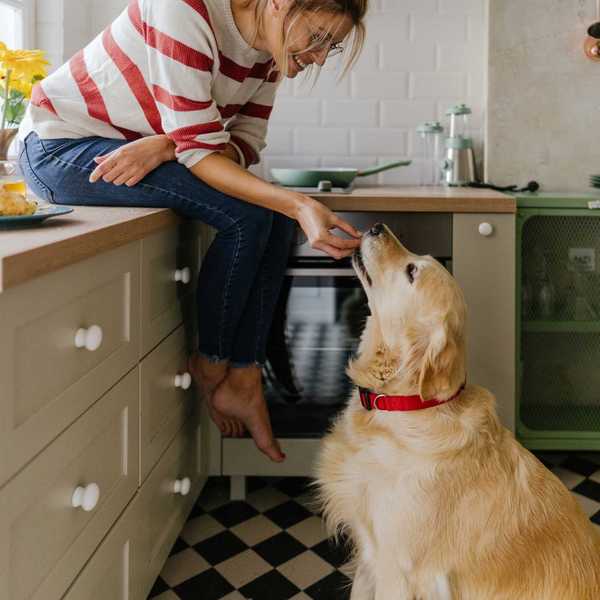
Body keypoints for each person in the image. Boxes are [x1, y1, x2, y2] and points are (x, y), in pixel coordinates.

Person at [17, 0, 368, 463]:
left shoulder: (266, 52)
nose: (320, 56)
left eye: (332, 47)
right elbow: (205, 150)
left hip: (129, 152)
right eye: (319, 38)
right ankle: (212, 363)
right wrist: (299, 201)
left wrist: (171, 144)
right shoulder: (184, 9)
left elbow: (242, 144)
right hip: (60, 148)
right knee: (256, 214)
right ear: (281, 3)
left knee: (274, 215)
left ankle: (244, 377)